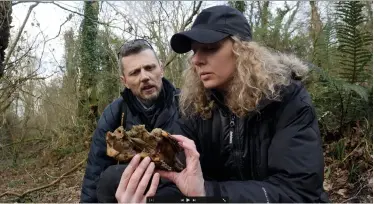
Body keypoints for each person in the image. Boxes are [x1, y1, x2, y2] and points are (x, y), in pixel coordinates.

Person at [114, 5, 330, 203]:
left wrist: (207, 193)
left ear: (243, 51)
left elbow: (299, 193)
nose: (196, 60)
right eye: (195, 50)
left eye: (209, 47)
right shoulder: (196, 107)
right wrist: (145, 194)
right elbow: (175, 176)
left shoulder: (287, 100)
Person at [80, 39, 182, 203]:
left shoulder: (186, 105)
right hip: (130, 196)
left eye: (149, 68)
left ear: (161, 69)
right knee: (109, 178)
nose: (144, 77)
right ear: (125, 81)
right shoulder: (114, 114)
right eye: (135, 72)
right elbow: (94, 176)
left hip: (179, 193)